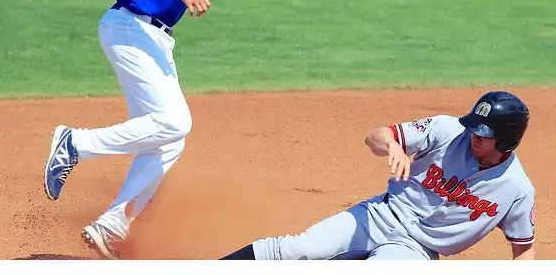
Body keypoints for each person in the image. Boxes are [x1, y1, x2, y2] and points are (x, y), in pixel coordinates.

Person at [42, 0, 345, 260]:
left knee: (170, 141)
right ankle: (75, 142)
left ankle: (111, 226)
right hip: (130, 28)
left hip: (156, 38)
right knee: (175, 122)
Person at [220, 91, 536, 260]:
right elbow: (375, 136)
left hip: (417, 251)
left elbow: (524, 249)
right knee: (298, 250)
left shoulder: (517, 189)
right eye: (473, 128)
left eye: (484, 134)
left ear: (507, 140)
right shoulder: (447, 129)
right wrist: (392, 147)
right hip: (379, 214)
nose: (473, 136)